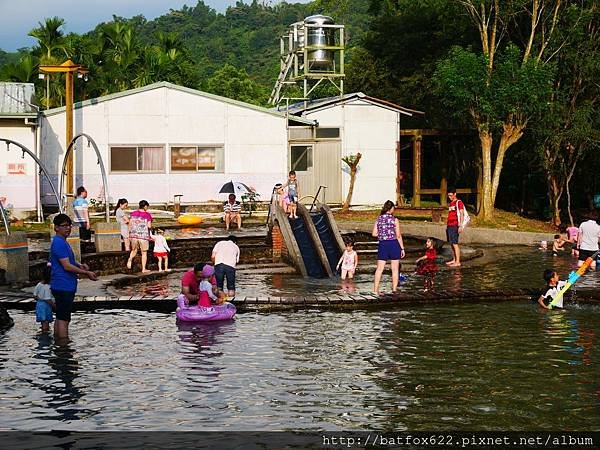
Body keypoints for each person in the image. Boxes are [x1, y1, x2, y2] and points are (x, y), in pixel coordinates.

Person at [50, 214, 98, 339]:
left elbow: (69, 260)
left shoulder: (62, 241)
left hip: (63, 284)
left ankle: (57, 341)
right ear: (56, 228)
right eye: (64, 226)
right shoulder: (59, 243)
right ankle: (63, 346)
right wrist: (86, 273)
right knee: (64, 319)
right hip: (63, 285)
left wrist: (80, 265)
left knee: (61, 316)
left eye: (69, 225)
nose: (68, 228)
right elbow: (66, 266)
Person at [372, 200, 406, 295]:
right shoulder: (395, 220)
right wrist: (402, 248)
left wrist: (383, 233)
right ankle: (394, 290)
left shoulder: (379, 219)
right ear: (391, 209)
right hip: (393, 244)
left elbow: (374, 233)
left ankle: (375, 290)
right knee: (394, 269)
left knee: (379, 269)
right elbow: (398, 235)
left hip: (383, 245)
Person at [127, 200, 153, 273]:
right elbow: (149, 226)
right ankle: (143, 269)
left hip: (134, 235)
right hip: (143, 236)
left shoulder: (133, 213)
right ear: (145, 206)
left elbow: (130, 224)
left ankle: (130, 259)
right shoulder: (147, 215)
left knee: (134, 250)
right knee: (144, 253)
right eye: (147, 207)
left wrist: (129, 234)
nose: (147, 208)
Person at [445, 187, 465, 267]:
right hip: (449, 225)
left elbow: (462, 213)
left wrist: (460, 225)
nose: (449, 197)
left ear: (455, 194)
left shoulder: (459, 202)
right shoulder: (451, 203)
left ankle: (458, 261)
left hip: (455, 225)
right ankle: (454, 259)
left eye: (451, 195)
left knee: (455, 243)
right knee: (451, 243)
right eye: (448, 196)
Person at [34, 265, 55, 333]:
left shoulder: (39, 284)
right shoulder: (48, 287)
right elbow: (47, 299)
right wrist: (54, 306)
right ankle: (45, 333)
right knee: (46, 321)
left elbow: (35, 296)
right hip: (45, 306)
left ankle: (44, 329)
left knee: (43, 321)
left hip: (39, 305)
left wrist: (40, 300)